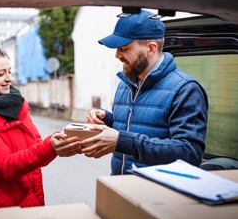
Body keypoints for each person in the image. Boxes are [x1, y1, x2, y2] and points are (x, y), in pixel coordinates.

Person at [81, 9, 208, 175]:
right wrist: (106, 119)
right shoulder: (125, 84)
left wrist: (123, 142)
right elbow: (136, 127)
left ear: (151, 48)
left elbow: (189, 153)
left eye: (124, 49)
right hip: (119, 186)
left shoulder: (185, 89)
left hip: (157, 194)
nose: (117, 55)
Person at [0, 45, 81, 211]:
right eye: (0, 74)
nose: (8, 78)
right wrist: (50, 147)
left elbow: (37, 145)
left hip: (32, 198)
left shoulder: (16, 103)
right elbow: (5, 166)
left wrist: (58, 143)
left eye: (9, 71)